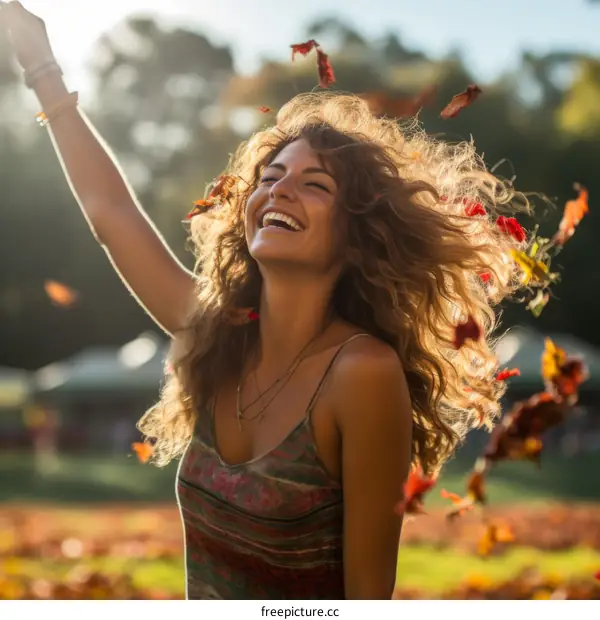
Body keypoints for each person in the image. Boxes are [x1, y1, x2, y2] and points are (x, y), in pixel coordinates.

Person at [1, 1, 529, 600]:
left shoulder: (362, 374)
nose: (280, 190)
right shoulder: (217, 334)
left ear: (359, 235)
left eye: (315, 184)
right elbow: (111, 214)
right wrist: (40, 63)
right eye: (271, 177)